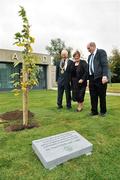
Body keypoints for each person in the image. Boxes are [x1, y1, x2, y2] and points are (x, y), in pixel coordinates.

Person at [87, 42, 108, 116]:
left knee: (102, 95)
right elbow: (89, 68)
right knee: (93, 96)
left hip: (100, 78)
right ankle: (94, 111)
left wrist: (105, 76)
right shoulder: (89, 56)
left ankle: (103, 111)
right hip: (91, 78)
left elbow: (105, 65)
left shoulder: (101, 52)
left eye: (88, 48)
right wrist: (88, 79)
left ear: (93, 46)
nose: (88, 50)